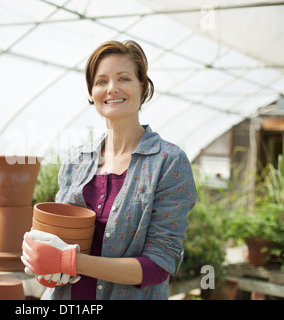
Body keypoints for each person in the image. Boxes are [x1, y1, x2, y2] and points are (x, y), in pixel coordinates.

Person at [21, 40, 197, 300]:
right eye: (101, 81)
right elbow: (57, 237)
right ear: (91, 93)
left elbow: (160, 264)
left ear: (143, 87)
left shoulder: (168, 161)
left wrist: (71, 261)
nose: (112, 88)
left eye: (123, 78)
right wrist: (41, 257)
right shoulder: (77, 160)